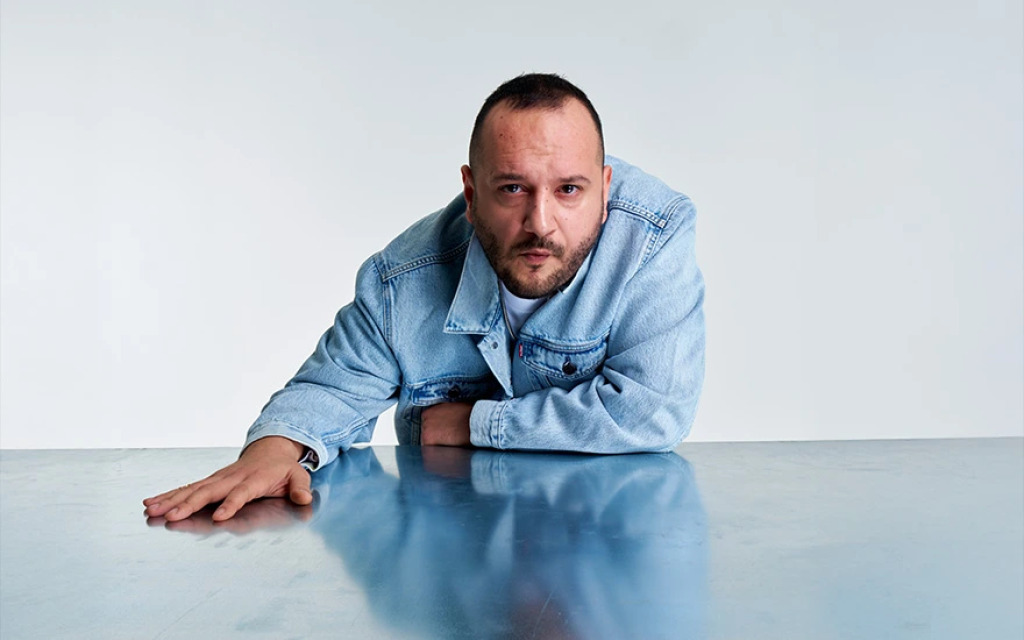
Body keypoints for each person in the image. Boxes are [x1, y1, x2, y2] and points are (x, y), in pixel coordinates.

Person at [143, 73, 705, 522]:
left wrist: (471, 425)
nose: (540, 222)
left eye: (569, 191)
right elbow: (330, 388)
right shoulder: (404, 279)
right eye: (512, 188)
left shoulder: (653, 236)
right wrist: (274, 449)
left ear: (604, 190)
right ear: (471, 192)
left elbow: (653, 410)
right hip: (460, 549)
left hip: (611, 541)